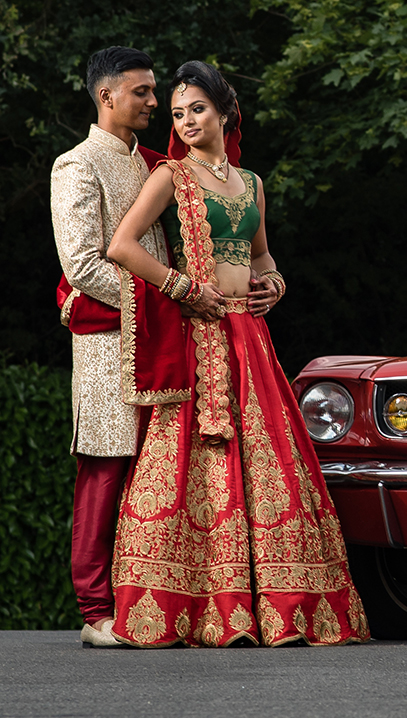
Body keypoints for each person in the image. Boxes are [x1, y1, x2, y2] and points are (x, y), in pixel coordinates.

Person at [105, 61, 369, 647]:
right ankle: (202, 609)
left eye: (196, 108)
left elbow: (263, 256)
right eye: (176, 113)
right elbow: (123, 246)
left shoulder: (251, 183)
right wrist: (180, 287)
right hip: (200, 338)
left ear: (225, 112)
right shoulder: (172, 176)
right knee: (198, 470)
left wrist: (276, 283)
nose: (185, 120)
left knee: (272, 469)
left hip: (250, 336)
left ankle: (284, 608)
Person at [49, 46, 220, 648]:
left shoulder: (156, 163)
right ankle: (96, 611)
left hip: (163, 340)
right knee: (105, 469)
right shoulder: (76, 166)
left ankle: (150, 603)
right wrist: (169, 295)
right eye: (143, 92)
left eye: (155, 93)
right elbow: (84, 265)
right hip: (108, 346)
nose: (154, 102)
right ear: (107, 97)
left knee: (158, 474)